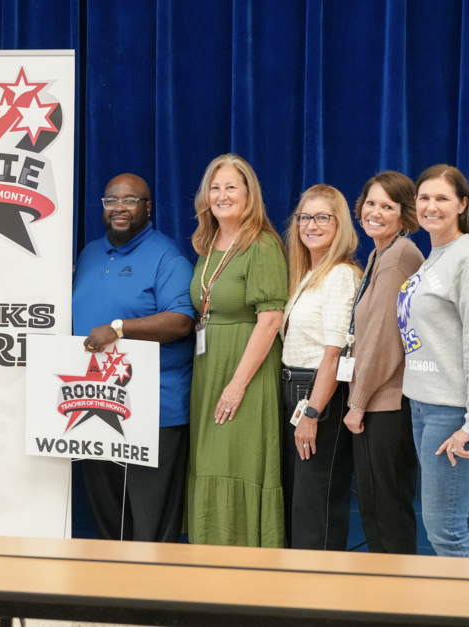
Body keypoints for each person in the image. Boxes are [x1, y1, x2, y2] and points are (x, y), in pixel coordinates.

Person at [72, 174, 196, 542]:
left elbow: (180, 322)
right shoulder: (90, 253)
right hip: (93, 402)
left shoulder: (166, 256)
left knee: (150, 518)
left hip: (154, 407)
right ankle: (115, 592)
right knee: (108, 513)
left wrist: (119, 328)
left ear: (147, 207)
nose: (119, 208)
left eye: (130, 200)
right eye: (111, 200)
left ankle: (152, 594)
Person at [187, 153, 287, 547]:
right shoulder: (207, 245)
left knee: (237, 463)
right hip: (209, 369)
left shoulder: (261, 245)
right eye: (215, 187)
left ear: (249, 195)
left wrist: (237, 385)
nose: (222, 195)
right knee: (210, 463)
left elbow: (271, 320)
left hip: (246, 374)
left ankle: (243, 571)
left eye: (231, 187)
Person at [399, 165, 469, 558]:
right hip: (425, 406)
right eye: (424, 198)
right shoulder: (435, 256)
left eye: (441, 198)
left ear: (462, 204)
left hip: (454, 415)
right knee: (466, 523)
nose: (431, 206)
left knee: (447, 530)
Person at [342, 171, 423, 554]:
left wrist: (357, 403)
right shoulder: (380, 253)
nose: (375, 212)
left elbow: (382, 339)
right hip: (379, 398)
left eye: (387, 206)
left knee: (387, 510)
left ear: (405, 216)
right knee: (375, 508)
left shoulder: (398, 257)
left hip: (387, 402)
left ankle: (398, 604)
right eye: (371, 203)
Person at [279, 185, 361, 550]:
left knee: (317, 504)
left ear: (339, 223)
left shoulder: (340, 274)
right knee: (299, 502)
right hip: (293, 388)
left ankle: (322, 601)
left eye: (322, 217)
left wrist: (312, 411)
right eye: (305, 217)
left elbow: (335, 352)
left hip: (317, 395)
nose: (311, 225)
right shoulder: (307, 275)